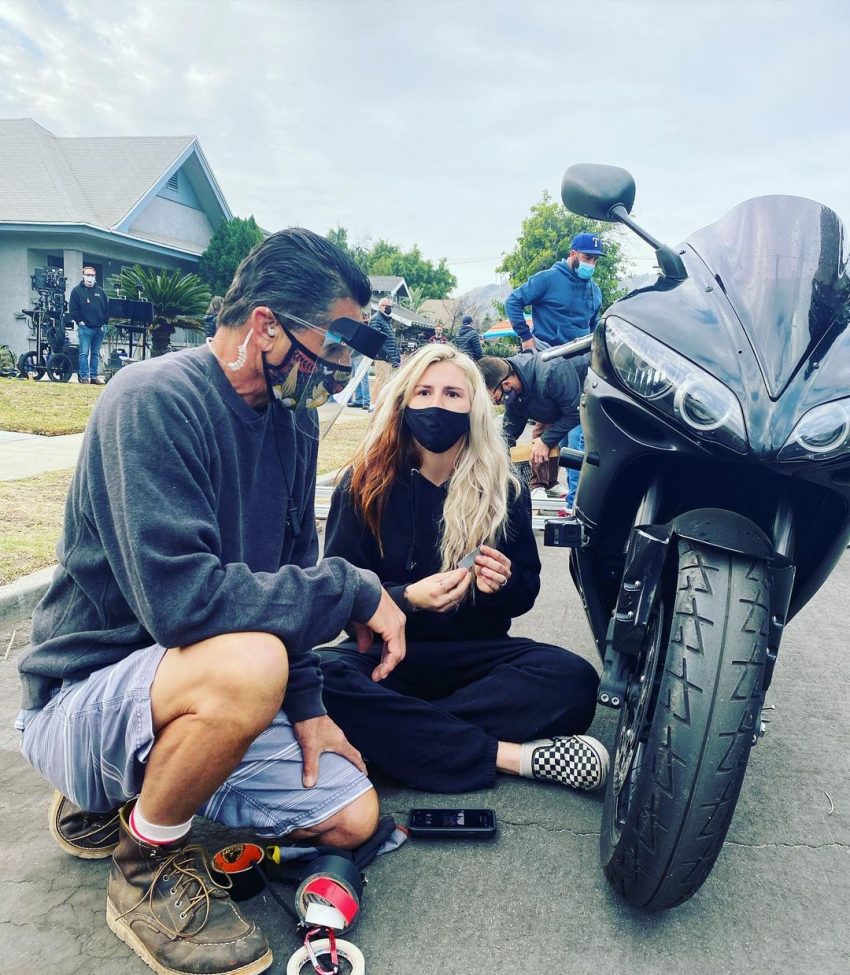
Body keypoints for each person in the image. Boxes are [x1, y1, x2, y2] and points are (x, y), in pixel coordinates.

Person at [15, 229, 406, 975]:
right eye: (331, 347)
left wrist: (308, 706)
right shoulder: (153, 399)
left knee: (353, 818)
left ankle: (145, 790)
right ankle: (142, 864)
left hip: (200, 686)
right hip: (84, 694)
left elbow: (290, 570)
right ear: (266, 325)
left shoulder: (292, 421)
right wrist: (354, 588)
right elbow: (183, 604)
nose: (337, 370)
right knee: (250, 663)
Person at [317, 344, 607, 795]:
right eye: (424, 392)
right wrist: (406, 598)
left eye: (453, 394)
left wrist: (503, 584)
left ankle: (388, 738)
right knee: (322, 677)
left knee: (574, 680)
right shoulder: (362, 484)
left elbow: (526, 591)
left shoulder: (505, 487)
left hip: (477, 658)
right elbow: (340, 597)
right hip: (388, 658)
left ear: (475, 405)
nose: (437, 405)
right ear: (403, 401)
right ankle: (509, 756)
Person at [504, 232, 605, 507]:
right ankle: (538, 482)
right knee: (544, 419)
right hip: (548, 358)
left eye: (595, 260)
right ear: (573, 254)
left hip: (579, 363)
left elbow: (593, 328)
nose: (591, 264)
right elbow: (513, 301)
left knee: (576, 426)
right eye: (587, 257)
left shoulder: (595, 292)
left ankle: (566, 491)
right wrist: (526, 337)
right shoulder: (548, 279)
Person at [479, 351, 588, 502]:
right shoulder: (514, 392)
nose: (498, 404)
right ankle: (574, 500)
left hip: (587, 404)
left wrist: (545, 441)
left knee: (576, 452)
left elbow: (575, 412)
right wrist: (494, 457)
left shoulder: (551, 371)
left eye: (496, 400)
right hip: (565, 411)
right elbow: (510, 429)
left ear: (506, 385)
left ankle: (578, 504)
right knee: (565, 456)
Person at [69, 265, 109, 384]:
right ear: (83, 276)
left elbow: (107, 309)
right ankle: (84, 377)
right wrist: (80, 322)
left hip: (99, 329)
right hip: (85, 328)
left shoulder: (100, 292)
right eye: (87, 275)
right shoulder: (76, 291)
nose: (90, 277)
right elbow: (73, 309)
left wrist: (104, 323)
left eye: (92, 275)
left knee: (95, 354)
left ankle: (94, 377)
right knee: (84, 353)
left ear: (95, 277)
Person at [369, 296, 400, 409]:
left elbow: (390, 340)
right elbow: (376, 340)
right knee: (380, 380)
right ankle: (373, 404)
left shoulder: (387, 320)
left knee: (387, 382)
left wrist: (395, 356)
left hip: (390, 356)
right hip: (382, 356)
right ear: (381, 306)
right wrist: (387, 354)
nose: (389, 308)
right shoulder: (376, 319)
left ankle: (381, 404)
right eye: (387, 306)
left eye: (390, 306)